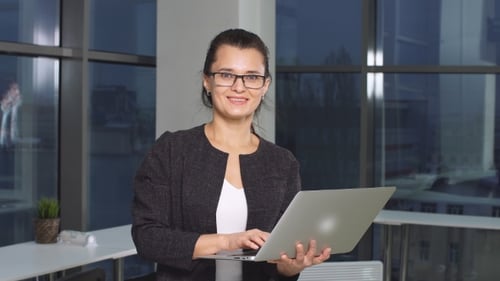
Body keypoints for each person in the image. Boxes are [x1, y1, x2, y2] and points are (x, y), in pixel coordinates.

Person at [131, 28, 331, 281]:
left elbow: (277, 259)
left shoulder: (282, 163)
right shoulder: (172, 150)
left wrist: (290, 268)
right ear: (207, 80)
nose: (239, 87)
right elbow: (147, 237)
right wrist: (228, 241)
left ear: (265, 85)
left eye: (251, 77)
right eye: (227, 75)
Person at [0, 80, 22, 147]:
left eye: (17, 89)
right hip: (4, 142)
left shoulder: (18, 104)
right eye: (14, 89)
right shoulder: (5, 104)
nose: (17, 91)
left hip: (14, 143)